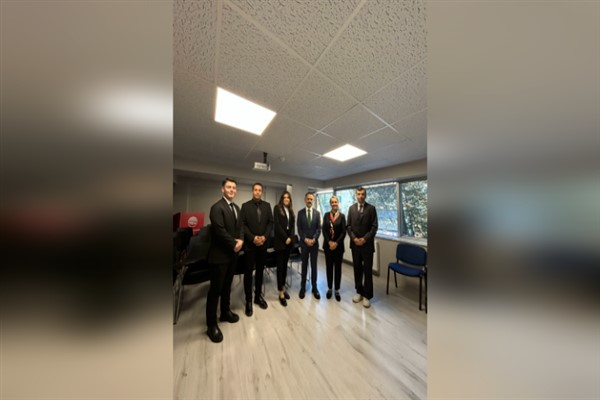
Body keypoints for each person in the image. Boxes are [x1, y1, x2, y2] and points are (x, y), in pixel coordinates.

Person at [205, 177, 244, 343]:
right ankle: (211, 325)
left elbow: (240, 227)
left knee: (227, 286)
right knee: (215, 291)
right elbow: (220, 231)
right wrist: (234, 244)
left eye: (234, 188)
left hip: (232, 256)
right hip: (219, 257)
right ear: (222, 189)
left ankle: (225, 312)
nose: (232, 190)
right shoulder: (216, 207)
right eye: (229, 187)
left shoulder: (236, 208)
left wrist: (241, 240)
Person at [240, 182, 274, 316]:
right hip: (250, 245)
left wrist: (264, 237)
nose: (258, 192)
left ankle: (257, 296)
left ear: (262, 192)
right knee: (248, 273)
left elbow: (270, 223)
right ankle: (248, 300)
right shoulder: (245, 206)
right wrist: (253, 238)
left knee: (260, 271)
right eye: (255, 190)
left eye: (260, 190)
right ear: (252, 191)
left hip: (263, 245)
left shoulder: (267, 206)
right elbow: (242, 225)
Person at [346, 187, 378, 308]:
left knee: (367, 271)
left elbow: (374, 227)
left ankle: (367, 296)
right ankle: (359, 292)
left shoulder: (371, 209)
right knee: (357, 269)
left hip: (367, 245)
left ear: (365, 195)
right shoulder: (351, 208)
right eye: (358, 194)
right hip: (355, 245)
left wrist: (364, 239)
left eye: (363, 194)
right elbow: (348, 226)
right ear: (356, 195)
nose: (360, 196)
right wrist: (354, 239)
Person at [296, 192, 321, 299]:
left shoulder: (317, 213)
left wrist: (314, 239)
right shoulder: (300, 213)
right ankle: (303, 287)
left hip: (314, 244)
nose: (310, 200)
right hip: (304, 244)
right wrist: (305, 239)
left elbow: (318, 229)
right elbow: (299, 229)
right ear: (305, 200)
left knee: (314, 266)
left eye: (311, 199)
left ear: (313, 200)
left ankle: (315, 287)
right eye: (308, 199)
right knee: (304, 265)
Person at [272, 190, 295, 306]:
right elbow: (276, 225)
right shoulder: (277, 208)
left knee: (285, 267)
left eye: (288, 197)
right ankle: (280, 292)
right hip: (280, 243)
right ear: (282, 199)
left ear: (290, 200)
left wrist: (290, 237)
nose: (286, 199)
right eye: (284, 197)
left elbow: (292, 226)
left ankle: (283, 287)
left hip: (288, 243)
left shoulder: (291, 211)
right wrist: (286, 238)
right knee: (280, 268)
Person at [322, 195, 346, 302]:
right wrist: (329, 242)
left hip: (338, 247)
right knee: (329, 268)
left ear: (338, 203)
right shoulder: (326, 215)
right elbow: (324, 230)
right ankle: (329, 288)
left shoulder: (342, 216)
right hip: (328, 247)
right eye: (332, 202)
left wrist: (336, 243)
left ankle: (336, 290)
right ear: (330, 204)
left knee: (338, 269)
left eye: (336, 202)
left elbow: (343, 232)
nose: (334, 203)